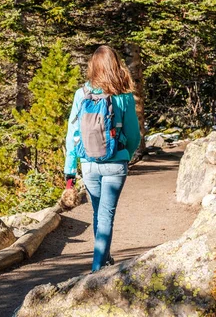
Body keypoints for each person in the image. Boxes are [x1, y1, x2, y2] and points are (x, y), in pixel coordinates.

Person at [64, 45, 141, 272]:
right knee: (106, 215)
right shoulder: (124, 97)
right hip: (116, 163)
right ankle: (98, 268)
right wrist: (126, 153)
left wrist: (70, 169)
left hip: (89, 164)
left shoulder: (81, 94)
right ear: (115, 65)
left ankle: (104, 259)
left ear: (93, 67)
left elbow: (72, 136)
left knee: (98, 214)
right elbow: (134, 134)